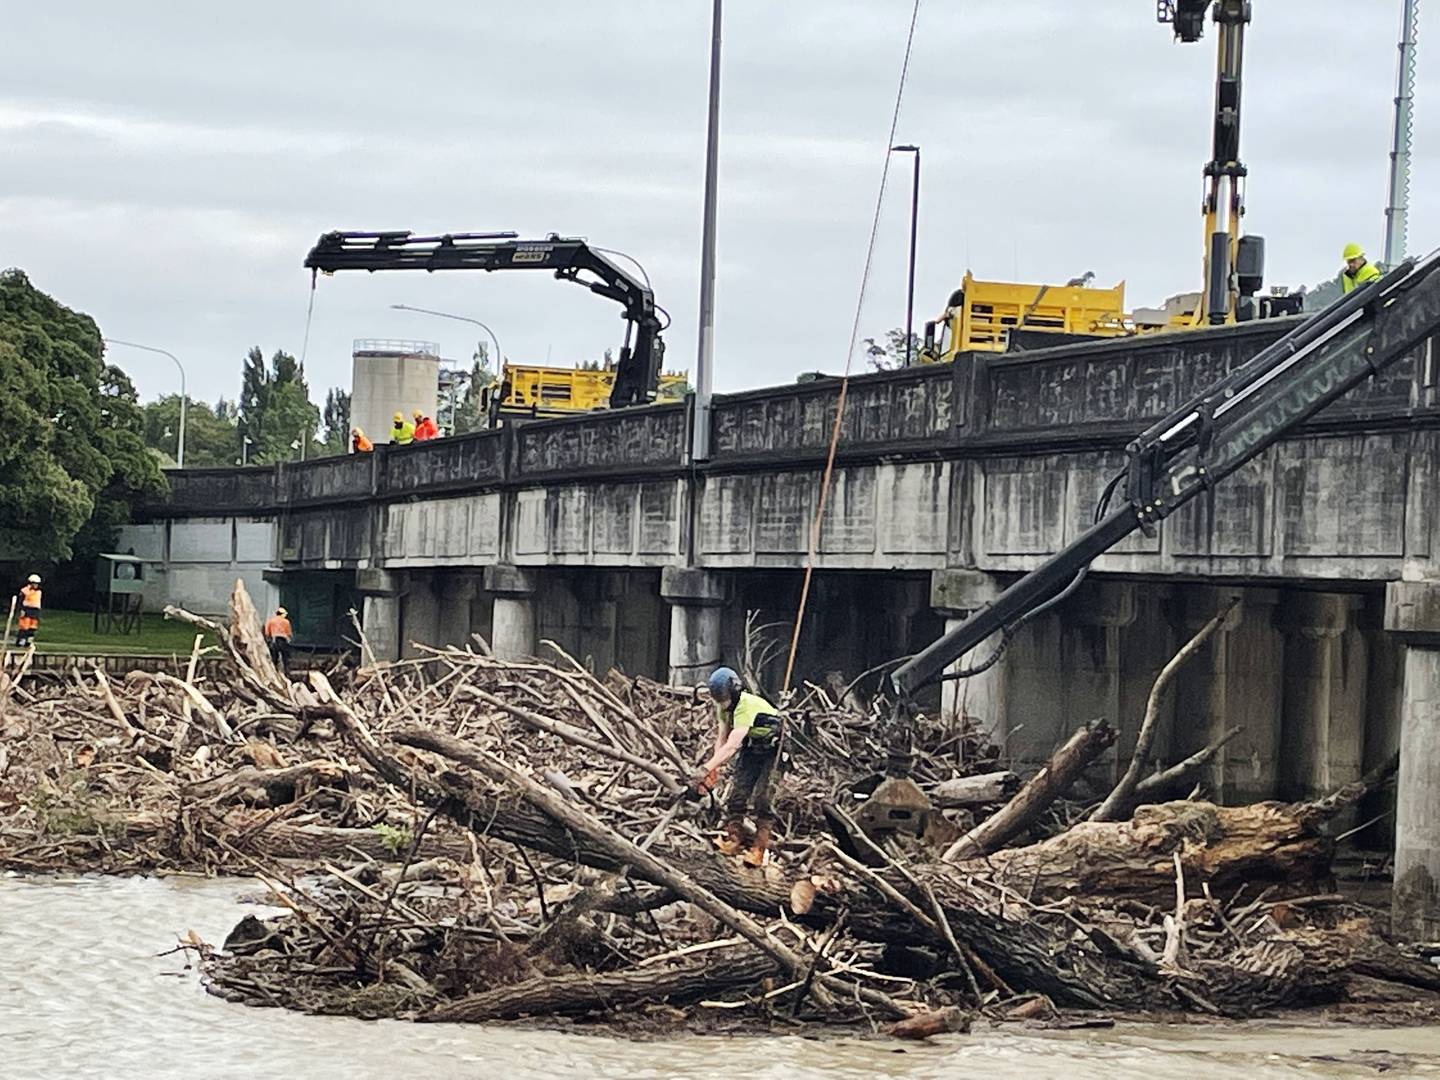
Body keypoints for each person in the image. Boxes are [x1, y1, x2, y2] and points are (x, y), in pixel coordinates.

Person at [692, 666, 784, 868]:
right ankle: (734, 840)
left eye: (723, 697)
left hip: (775, 748)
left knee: (764, 798)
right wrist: (715, 767)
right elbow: (722, 738)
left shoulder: (744, 705)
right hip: (752, 746)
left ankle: (759, 849)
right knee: (737, 796)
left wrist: (705, 768)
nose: (722, 703)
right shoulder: (722, 707)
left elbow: (733, 745)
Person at [14, 574, 42, 649]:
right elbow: (20, 601)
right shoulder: (24, 590)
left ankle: (29, 641)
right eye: (35, 583)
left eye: (37, 584)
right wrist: (21, 610)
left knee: (32, 627)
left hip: (35, 611)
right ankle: (21, 641)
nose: (36, 585)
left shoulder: (39, 591)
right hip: (26, 610)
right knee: (24, 627)